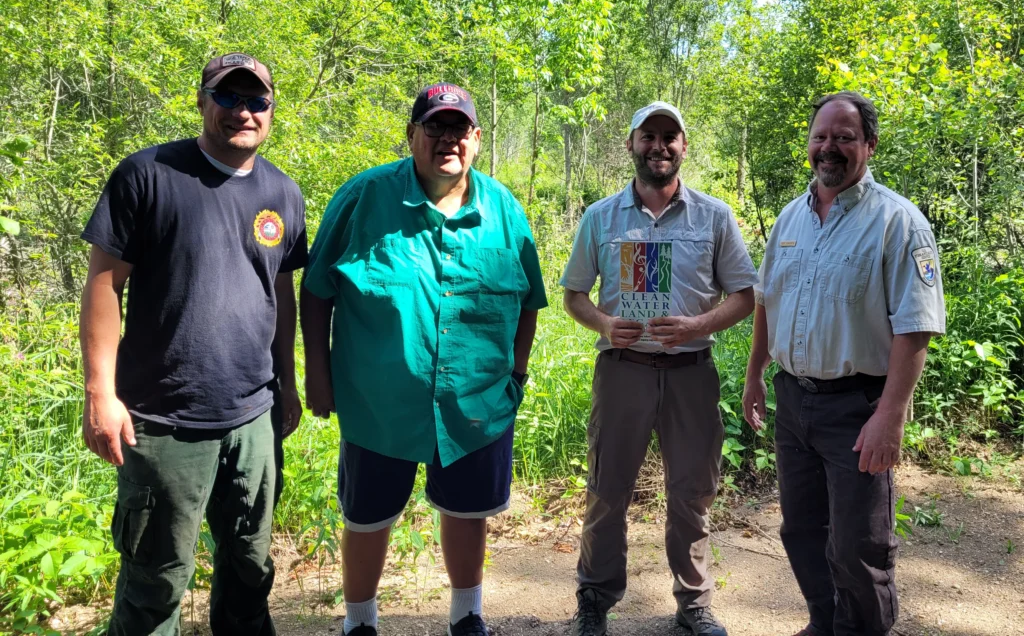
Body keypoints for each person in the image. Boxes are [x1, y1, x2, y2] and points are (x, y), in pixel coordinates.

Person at [301, 82, 547, 636]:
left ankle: (467, 616)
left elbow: (529, 300)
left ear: (477, 139)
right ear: (412, 134)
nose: (447, 139)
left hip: (475, 402)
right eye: (434, 126)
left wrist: (517, 374)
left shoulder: (504, 209)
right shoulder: (364, 198)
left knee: (467, 513)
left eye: (459, 128)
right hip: (378, 401)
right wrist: (317, 375)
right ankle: (359, 623)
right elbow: (316, 290)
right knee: (367, 516)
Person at [79, 52, 307, 636]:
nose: (243, 111)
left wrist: (288, 382)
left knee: (251, 568)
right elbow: (104, 284)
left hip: (253, 417)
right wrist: (100, 393)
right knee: (156, 582)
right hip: (163, 419)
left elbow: (281, 294)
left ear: (271, 109)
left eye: (256, 100)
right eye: (228, 97)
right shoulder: (149, 174)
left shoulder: (283, 192)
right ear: (202, 101)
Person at [743, 91, 946, 636]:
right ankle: (824, 622)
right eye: (821, 136)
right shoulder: (791, 217)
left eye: (844, 137)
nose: (829, 147)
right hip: (793, 401)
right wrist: (755, 374)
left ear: (869, 145)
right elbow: (766, 301)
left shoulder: (898, 223)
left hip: (858, 408)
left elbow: (916, 325)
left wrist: (890, 416)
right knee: (802, 530)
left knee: (859, 543)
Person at [560, 102, 757, 636]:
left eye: (670, 136)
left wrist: (698, 325)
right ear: (631, 144)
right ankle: (594, 600)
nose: (660, 146)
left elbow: (744, 295)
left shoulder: (714, 216)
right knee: (607, 490)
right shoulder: (601, 217)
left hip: (691, 372)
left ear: (684, 147)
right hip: (622, 370)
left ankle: (694, 604)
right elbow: (574, 295)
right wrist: (604, 323)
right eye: (649, 135)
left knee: (692, 491)